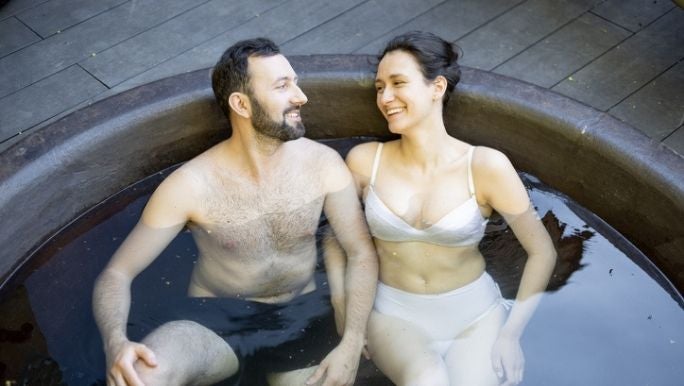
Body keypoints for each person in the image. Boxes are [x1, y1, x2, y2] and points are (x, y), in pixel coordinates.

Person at [92, 37, 378, 386]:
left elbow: (360, 252)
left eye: (296, 82)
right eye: (283, 85)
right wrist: (115, 343)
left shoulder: (323, 165)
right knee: (137, 377)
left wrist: (350, 341)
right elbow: (117, 274)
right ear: (241, 104)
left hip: (303, 316)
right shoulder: (191, 186)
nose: (301, 96)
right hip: (217, 321)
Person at [324, 31, 557, 386]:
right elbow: (336, 239)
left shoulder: (485, 166)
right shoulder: (364, 161)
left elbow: (542, 252)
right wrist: (344, 312)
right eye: (379, 87)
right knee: (426, 379)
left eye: (398, 83)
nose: (386, 97)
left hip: (474, 315)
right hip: (394, 313)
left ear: (437, 88)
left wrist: (512, 334)